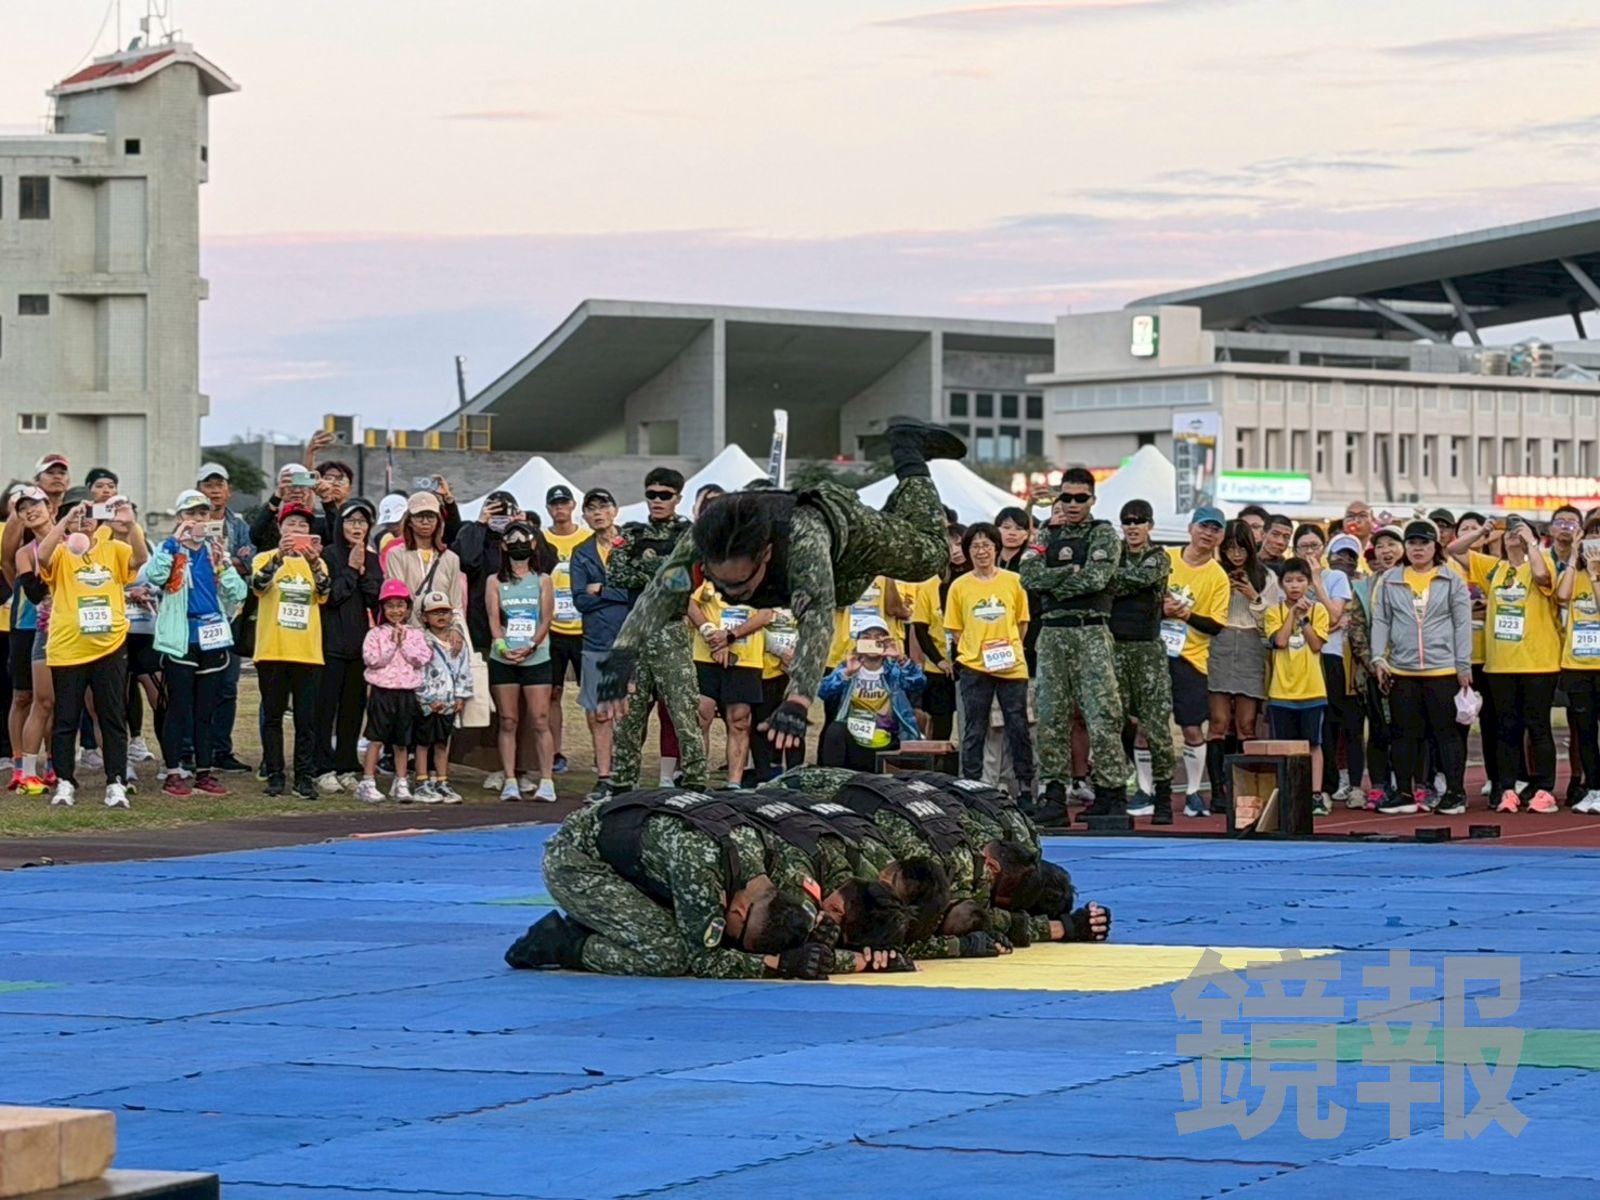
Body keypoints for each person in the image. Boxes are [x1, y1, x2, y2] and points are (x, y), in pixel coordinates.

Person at [596, 417, 959, 762]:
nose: (732, 595)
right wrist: (621, 654)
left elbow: (817, 622)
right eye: (720, 584)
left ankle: (908, 450)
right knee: (847, 591)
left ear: (766, 554)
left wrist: (798, 699)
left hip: (851, 537)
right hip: (818, 561)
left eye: (741, 584)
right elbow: (658, 596)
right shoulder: (702, 537)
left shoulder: (804, 544)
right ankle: (899, 507)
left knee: (930, 556)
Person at [511, 790, 826, 979]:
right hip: (575, 861)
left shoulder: (760, 849)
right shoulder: (701, 865)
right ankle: (564, 942)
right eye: (737, 936)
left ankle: (607, 924)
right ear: (740, 912)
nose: (732, 939)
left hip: (622, 853)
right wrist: (776, 965)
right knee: (668, 955)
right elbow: (705, 961)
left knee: (687, 931)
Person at [1019, 470, 1126, 823]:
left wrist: (1053, 582)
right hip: (1052, 633)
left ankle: (1111, 792)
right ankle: (1053, 793)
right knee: (1050, 716)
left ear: (1092, 499)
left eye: (1081, 498)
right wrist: (1070, 573)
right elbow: (1028, 577)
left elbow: (1097, 579)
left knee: (1102, 713)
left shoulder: (1103, 533)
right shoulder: (1045, 533)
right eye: (1066, 497)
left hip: (1090, 630)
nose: (1073, 504)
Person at [32, 494, 146, 808]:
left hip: (109, 645)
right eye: (77, 515)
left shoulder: (114, 549)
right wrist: (64, 524)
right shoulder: (61, 551)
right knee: (66, 717)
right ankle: (65, 781)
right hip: (68, 647)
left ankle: (116, 781)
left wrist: (130, 525)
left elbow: (139, 558)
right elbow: (42, 557)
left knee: (112, 716)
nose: (84, 520)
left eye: (89, 515)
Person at [603, 467, 707, 791]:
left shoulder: (690, 535)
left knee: (684, 713)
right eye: (652, 494)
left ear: (678, 498)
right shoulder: (633, 533)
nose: (657, 501)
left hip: (671, 631)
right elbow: (616, 574)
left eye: (665, 495)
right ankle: (622, 783)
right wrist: (660, 571)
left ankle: (695, 782)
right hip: (635, 633)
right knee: (628, 716)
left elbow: (688, 580)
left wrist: (648, 570)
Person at [1448, 515, 1560, 813]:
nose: (1513, 534)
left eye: (1519, 530)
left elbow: (1541, 577)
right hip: (1500, 664)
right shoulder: (1494, 568)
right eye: (1510, 530)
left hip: (1538, 663)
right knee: (1505, 728)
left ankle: (1545, 789)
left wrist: (1531, 542)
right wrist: (1483, 532)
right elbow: (1454, 550)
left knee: (1538, 726)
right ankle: (1508, 788)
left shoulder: (1544, 561)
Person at [146, 490, 246, 798]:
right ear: (179, 518)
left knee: (206, 710)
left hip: (212, 635)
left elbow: (238, 592)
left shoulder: (215, 552)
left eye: (202, 514)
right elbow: (154, 577)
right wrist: (173, 544)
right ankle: (173, 772)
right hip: (181, 636)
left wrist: (224, 562)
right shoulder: (170, 548)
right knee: (178, 707)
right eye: (190, 514)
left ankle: (204, 772)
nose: (197, 520)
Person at [1369, 520, 1472, 815]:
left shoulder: (1451, 579)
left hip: (1443, 670)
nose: (1417, 549)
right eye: (1412, 543)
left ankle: (1455, 793)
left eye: (1424, 543)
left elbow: (1462, 623)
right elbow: (1382, 620)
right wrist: (1379, 657)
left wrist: (1463, 664)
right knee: (1403, 734)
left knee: (1446, 734)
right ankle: (1404, 793)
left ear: (1435, 546)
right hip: (1403, 670)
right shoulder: (1390, 579)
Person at [946, 522, 1034, 800]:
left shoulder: (1014, 581)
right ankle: (971, 787)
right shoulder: (959, 586)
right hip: (974, 666)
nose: (981, 551)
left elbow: (1022, 623)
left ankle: (1025, 787)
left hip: (1011, 665)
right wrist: (975, 651)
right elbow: (956, 630)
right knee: (974, 728)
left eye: (986, 545)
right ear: (967, 550)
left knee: (1018, 725)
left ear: (996, 548)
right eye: (975, 546)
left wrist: (1007, 647)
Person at [250, 502, 332, 797]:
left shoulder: (318, 563)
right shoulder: (264, 557)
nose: (297, 529)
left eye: (303, 525)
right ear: (280, 528)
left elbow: (324, 593)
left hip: (307, 652)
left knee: (305, 720)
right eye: (291, 524)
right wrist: (279, 558)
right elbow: (259, 586)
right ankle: (275, 774)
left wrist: (314, 564)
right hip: (272, 649)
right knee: (273, 717)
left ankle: (304, 777)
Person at [1106, 499, 1176, 824]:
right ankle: (1122, 787)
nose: (1133, 526)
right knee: (1115, 721)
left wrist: (1109, 580)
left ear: (1150, 524)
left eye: (1139, 520)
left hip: (1148, 650)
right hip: (1115, 647)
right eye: (1127, 521)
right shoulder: (1113, 554)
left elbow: (1132, 580)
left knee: (1156, 726)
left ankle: (1164, 795)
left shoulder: (1159, 557)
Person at [1205, 519, 1276, 814]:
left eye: (1241, 548)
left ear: (1251, 548)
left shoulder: (1266, 576)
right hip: (1219, 642)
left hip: (1250, 644)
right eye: (1230, 548)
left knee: (1246, 723)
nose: (1235, 555)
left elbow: (1271, 619)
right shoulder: (1213, 571)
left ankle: (1245, 790)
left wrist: (1252, 595)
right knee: (1219, 722)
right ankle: (1218, 790)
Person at [313, 498, 382, 794]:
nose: (357, 527)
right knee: (325, 708)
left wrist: (362, 569)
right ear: (341, 524)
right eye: (351, 521)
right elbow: (331, 596)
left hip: (358, 645)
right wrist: (352, 569)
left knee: (353, 709)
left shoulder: (372, 558)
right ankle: (321, 766)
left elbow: (375, 597)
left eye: (362, 522)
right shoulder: (328, 555)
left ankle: (346, 764)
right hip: (329, 643)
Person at [1165, 508, 1230, 816]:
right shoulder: (1165, 558)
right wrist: (1162, 609)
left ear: (1221, 536)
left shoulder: (1218, 576)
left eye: (1215, 530)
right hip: (1153, 653)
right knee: (1142, 725)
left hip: (1191, 658)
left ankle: (1193, 792)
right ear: (1190, 528)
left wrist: (1186, 614)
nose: (1208, 534)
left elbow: (1216, 625)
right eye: (1204, 527)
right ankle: (1145, 790)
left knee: (1192, 728)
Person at [487, 520, 557, 802]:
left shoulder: (543, 580)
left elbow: (547, 618)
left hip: (536, 657)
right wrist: (503, 647)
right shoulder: (495, 581)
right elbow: (493, 618)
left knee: (540, 719)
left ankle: (547, 780)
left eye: (523, 540)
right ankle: (510, 780)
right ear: (504, 546)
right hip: (504, 658)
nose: (518, 545)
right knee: (508, 720)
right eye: (512, 540)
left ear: (534, 544)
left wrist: (530, 646)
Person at [195, 462, 255, 774]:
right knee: (196, 685)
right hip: (198, 613)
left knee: (228, 685)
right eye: (208, 485)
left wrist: (225, 561)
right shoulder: (189, 524)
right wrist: (232, 561)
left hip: (232, 614)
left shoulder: (239, 525)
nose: (214, 491)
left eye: (219, 485)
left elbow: (251, 562)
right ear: (198, 490)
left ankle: (221, 749)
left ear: (229, 491)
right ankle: (191, 750)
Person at [570, 488, 628, 800]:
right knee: (600, 713)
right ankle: (604, 776)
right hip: (596, 640)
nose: (597, 513)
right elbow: (580, 600)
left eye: (603, 506)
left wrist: (603, 590)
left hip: (630, 639)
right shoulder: (582, 552)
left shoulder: (632, 545)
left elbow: (639, 594)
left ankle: (626, 774)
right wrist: (616, 594)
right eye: (591, 509)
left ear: (615, 510)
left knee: (628, 712)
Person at [688, 570, 769, 788]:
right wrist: (710, 633)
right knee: (701, 716)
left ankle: (734, 783)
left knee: (739, 721)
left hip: (745, 660)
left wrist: (730, 637)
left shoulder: (763, 579)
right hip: (705, 656)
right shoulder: (712, 575)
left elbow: (765, 615)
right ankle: (696, 780)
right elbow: (691, 604)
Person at [355, 580, 432, 803]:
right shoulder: (375, 634)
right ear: (383, 608)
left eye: (400, 605)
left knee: (402, 741)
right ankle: (367, 781)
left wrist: (404, 643)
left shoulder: (415, 634)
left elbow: (422, 658)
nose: (395, 611)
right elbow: (372, 660)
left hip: (406, 692)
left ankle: (401, 781)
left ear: (407, 609)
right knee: (376, 737)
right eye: (390, 606)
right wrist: (392, 644)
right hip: (382, 691)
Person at [1264, 558, 1331, 813]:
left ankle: (1315, 794)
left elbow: (1316, 645)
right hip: (1281, 691)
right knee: (1285, 746)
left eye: (1300, 580)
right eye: (1289, 581)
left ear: (1309, 583)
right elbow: (1280, 642)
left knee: (1313, 744)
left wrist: (1304, 620)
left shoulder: (1319, 610)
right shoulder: (1274, 612)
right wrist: (1292, 614)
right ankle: (1288, 793)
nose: (1295, 586)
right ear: (1282, 585)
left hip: (1312, 690)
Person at [1294, 524, 1352, 806]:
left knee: (1328, 723)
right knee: (1301, 721)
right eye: (1303, 546)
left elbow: (1333, 616)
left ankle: (1326, 786)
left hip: (1328, 656)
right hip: (1297, 657)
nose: (1309, 551)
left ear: (1324, 547)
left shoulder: (1335, 577)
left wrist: (1316, 580)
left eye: (1314, 546)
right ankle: (1301, 784)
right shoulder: (1290, 578)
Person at [1347, 524, 1404, 809]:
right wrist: (1373, 662)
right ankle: (1380, 785)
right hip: (1373, 670)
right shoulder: (1364, 587)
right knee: (1378, 729)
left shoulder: (1415, 581)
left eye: (1392, 544)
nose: (1386, 551)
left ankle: (1413, 785)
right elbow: (1356, 627)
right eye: (1380, 546)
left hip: (1409, 668)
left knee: (1409, 730)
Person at [3, 485, 54, 794]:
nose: (29, 511)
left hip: (65, 626)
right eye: (23, 508)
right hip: (26, 625)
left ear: (51, 507)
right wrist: (15, 514)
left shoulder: (73, 539)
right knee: (23, 696)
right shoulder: (23, 550)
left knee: (53, 699)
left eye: (35, 504)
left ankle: (54, 762)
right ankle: (20, 763)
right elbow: (7, 560)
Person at [816, 627, 924, 770]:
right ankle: (834, 779)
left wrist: (901, 658)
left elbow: (919, 683)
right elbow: (823, 692)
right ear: (858, 642)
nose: (872, 641)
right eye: (867, 637)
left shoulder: (895, 670)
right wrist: (847, 673)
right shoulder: (848, 667)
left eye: (878, 638)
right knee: (835, 729)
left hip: (888, 740)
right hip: (854, 740)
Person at [542, 483, 592, 778]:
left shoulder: (587, 538)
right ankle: (555, 752)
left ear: (573, 506)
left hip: (584, 626)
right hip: (553, 628)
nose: (559, 509)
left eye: (564, 503)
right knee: (553, 692)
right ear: (548, 508)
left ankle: (602, 753)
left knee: (592, 693)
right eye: (554, 504)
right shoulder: (542, 539)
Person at [1553, 527, 1600, 812]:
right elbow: (1562, 595)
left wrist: (1595, 575)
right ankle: (1593, 787)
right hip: (1576, 663)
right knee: (1584, 730)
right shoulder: (1575, 573)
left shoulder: (1592, 576)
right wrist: (1573, 557)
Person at [384, 492, 468, 645]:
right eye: (419, 517)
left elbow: (456, 604)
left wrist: (457, 628)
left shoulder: (451, 558)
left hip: (444, 635)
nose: (425, 522)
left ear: (438, 521)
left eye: (430, 517)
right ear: (409, 521)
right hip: (409, 634)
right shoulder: (396, 555)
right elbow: (399, 599)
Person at [414, 590, 472, 804]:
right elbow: (417, 673)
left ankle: (442, 780)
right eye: (435, 612)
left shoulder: (458, 643)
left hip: (448, 702)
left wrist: (461, 695)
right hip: (429, 703)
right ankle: (422, 780)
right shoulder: (421, 642)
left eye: (445, 612)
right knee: (423, 742)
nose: (441, 616)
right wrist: (426, 698)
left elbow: (464, 669)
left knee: (442, 742)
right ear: (424, 617)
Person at [1259, 514, 1293, 579]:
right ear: (1262, 534)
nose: (1280, 542)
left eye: (1286, 537)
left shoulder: (1289, 571)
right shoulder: (1245, 562)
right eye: (1275, 534)